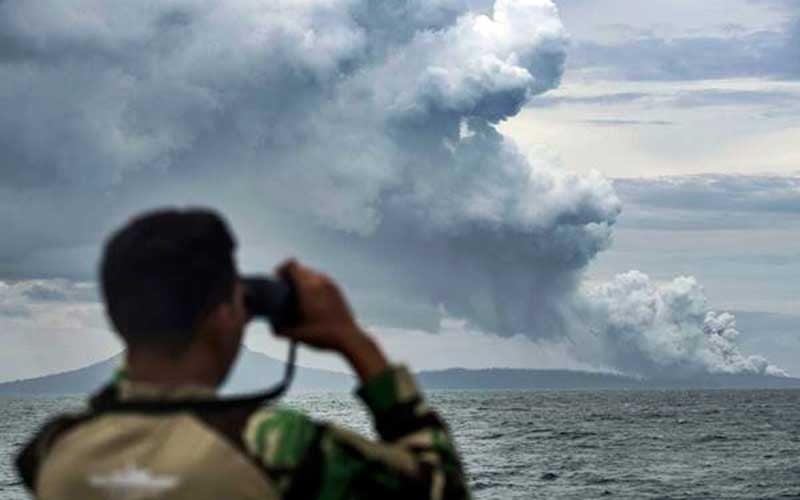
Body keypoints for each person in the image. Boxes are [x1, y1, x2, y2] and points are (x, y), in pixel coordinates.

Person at [16, 208, 471, 500]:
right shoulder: (278, 448)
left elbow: (126, 404)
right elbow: (440, 486)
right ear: (222, 317)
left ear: (118, 320)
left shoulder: (53, 450)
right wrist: (354, 340)